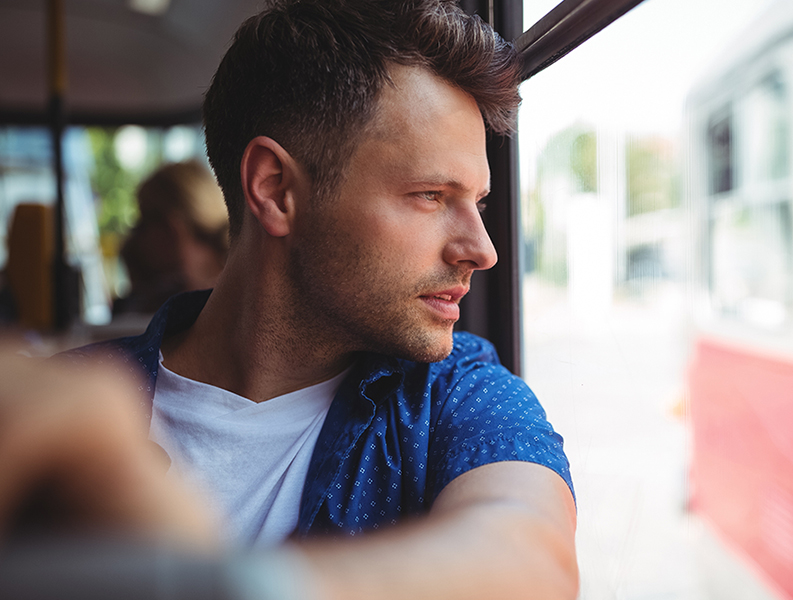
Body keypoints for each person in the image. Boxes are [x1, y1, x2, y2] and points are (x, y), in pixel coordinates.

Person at [0, 1, 577, 598]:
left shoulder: (454, 395)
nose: (483, 251)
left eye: (478, 203)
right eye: (430, 195)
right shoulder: (66, 406)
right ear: (275, 190)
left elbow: (529, 559)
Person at [115, 160, 230, 315]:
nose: (138, 237)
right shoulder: (241, 286)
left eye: (142, 223)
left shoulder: (161, 310)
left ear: (172, 229)